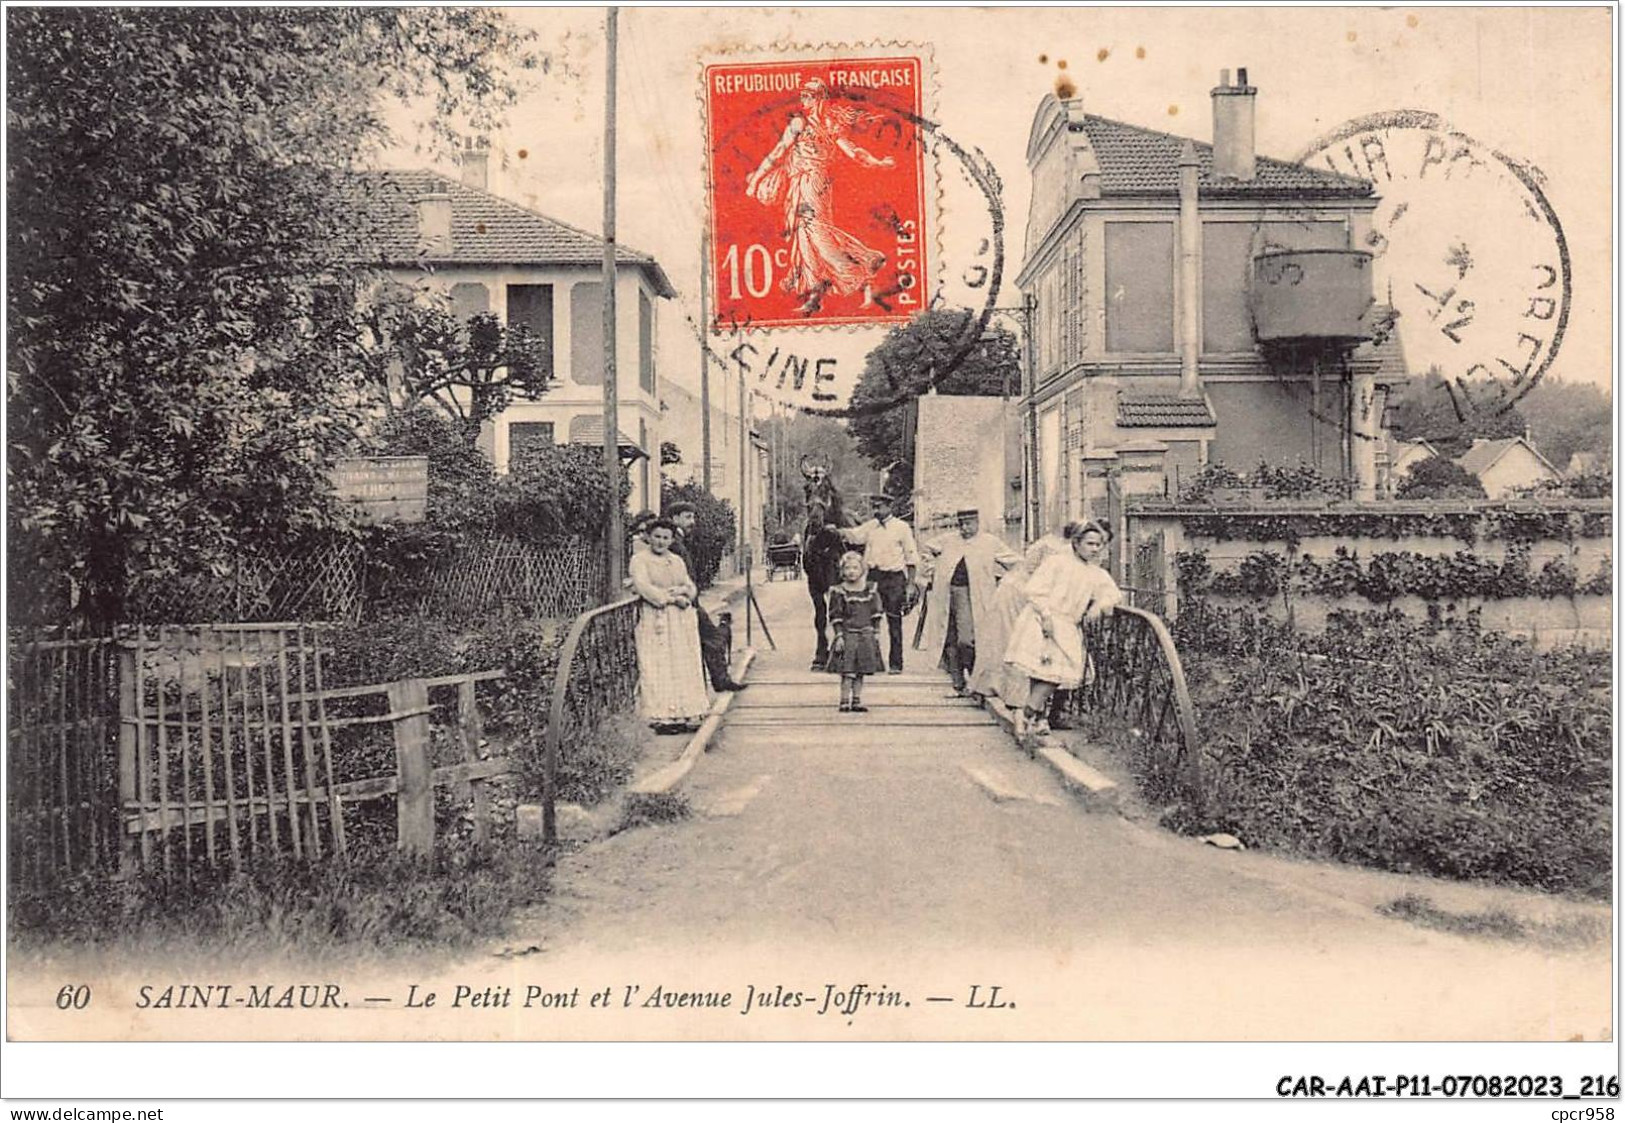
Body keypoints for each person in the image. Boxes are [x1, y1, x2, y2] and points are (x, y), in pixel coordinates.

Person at [743, 78, 895, 315]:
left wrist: (877, 162)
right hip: (807, 181)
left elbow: (851, 151)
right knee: (805, 233)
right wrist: (756, 180)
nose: (804, 100)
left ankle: (860, 264)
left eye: (809, 95)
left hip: (812, 182)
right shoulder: (817, 123)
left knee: (816, 231)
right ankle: (815, 291)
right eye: (803, 95)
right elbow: (779, 152)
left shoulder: (811, 124)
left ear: (819, 98)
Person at [1001, 521, 1122, 738]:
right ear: (1076, 543)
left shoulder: (1095, 573)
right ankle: (1030, 716)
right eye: (1089, 543)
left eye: (1098, 545)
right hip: (1041, 620)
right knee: (1044, 673)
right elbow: (1035, 590)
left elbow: (1112, 594)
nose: (1094, 549)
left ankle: (1028, 715)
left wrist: (1098, 606)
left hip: (1067, 626)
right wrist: (1046, 615)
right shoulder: (1057, 562)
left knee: (1055, 674)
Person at [967, 521, 1081, 703]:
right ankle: (1010, 693)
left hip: (1018, 589)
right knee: (1012, 640)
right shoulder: (1058, 549)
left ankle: (1001, 689)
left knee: (1009, 640)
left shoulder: (1053, 544)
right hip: (1018, 593)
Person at [918, 508, 1021, 697]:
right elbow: (926, 549)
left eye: (969, 524)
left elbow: (1015, 563)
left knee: (967, 639)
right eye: (961, 524)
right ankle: (957, 682)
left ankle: (975, 678)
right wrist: (932, 569)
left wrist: (1010, 581)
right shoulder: (949, 540)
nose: (965, 528)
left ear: (977, 523)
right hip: (947, 594)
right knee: (948, 637)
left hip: (975, 596)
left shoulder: (989, 542)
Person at [628, 518, 711, 732]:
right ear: (648, 537)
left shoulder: (676, 560)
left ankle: (684, 713)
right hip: (656, 618)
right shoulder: (640, 560)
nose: (660, 542)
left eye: (665, 538)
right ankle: (662, 717)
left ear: (672, 540)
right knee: (657, 664)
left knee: (681, 664)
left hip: (680, 621)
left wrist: (686, 592)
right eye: (656, 536)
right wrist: (672, 598)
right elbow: (643, 587)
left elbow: (689, 585)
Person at [666, 501, 747, 692]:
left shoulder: (680, 540)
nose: (692, 521)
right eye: (687, 517)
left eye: (692, 517)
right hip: (684, 602)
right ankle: (720, 680)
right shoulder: (673, 543)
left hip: (689, 600)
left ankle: (720, 680)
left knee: (710, 638)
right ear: (674, 518)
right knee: (711, 638)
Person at [838, 492, 920, 674]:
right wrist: (837, 530)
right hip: (873, 577)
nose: (876, 510)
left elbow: (911, 557)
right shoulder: (870, 526)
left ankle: (896, 664)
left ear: (889, 507)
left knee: (894, 620)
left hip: (894, 578)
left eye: (879, 507)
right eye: (874, 507)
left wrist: (910, 585)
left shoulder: (902, 527)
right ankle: (871, 662)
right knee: (867, 619)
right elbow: (854, 536)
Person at [826, 550, 885, 712]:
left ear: (862, 570)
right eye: (847, 568)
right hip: (848, 634)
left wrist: (876, 632)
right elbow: (836, 615)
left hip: (866, 634)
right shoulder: (839, 591)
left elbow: (876, 612)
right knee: (848, 670)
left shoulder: (870, 589)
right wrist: (839, 636)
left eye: (855, 568)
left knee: (861, 670)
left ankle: (857, 700)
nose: (851, 571)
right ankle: (844, 700)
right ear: (842, 571)